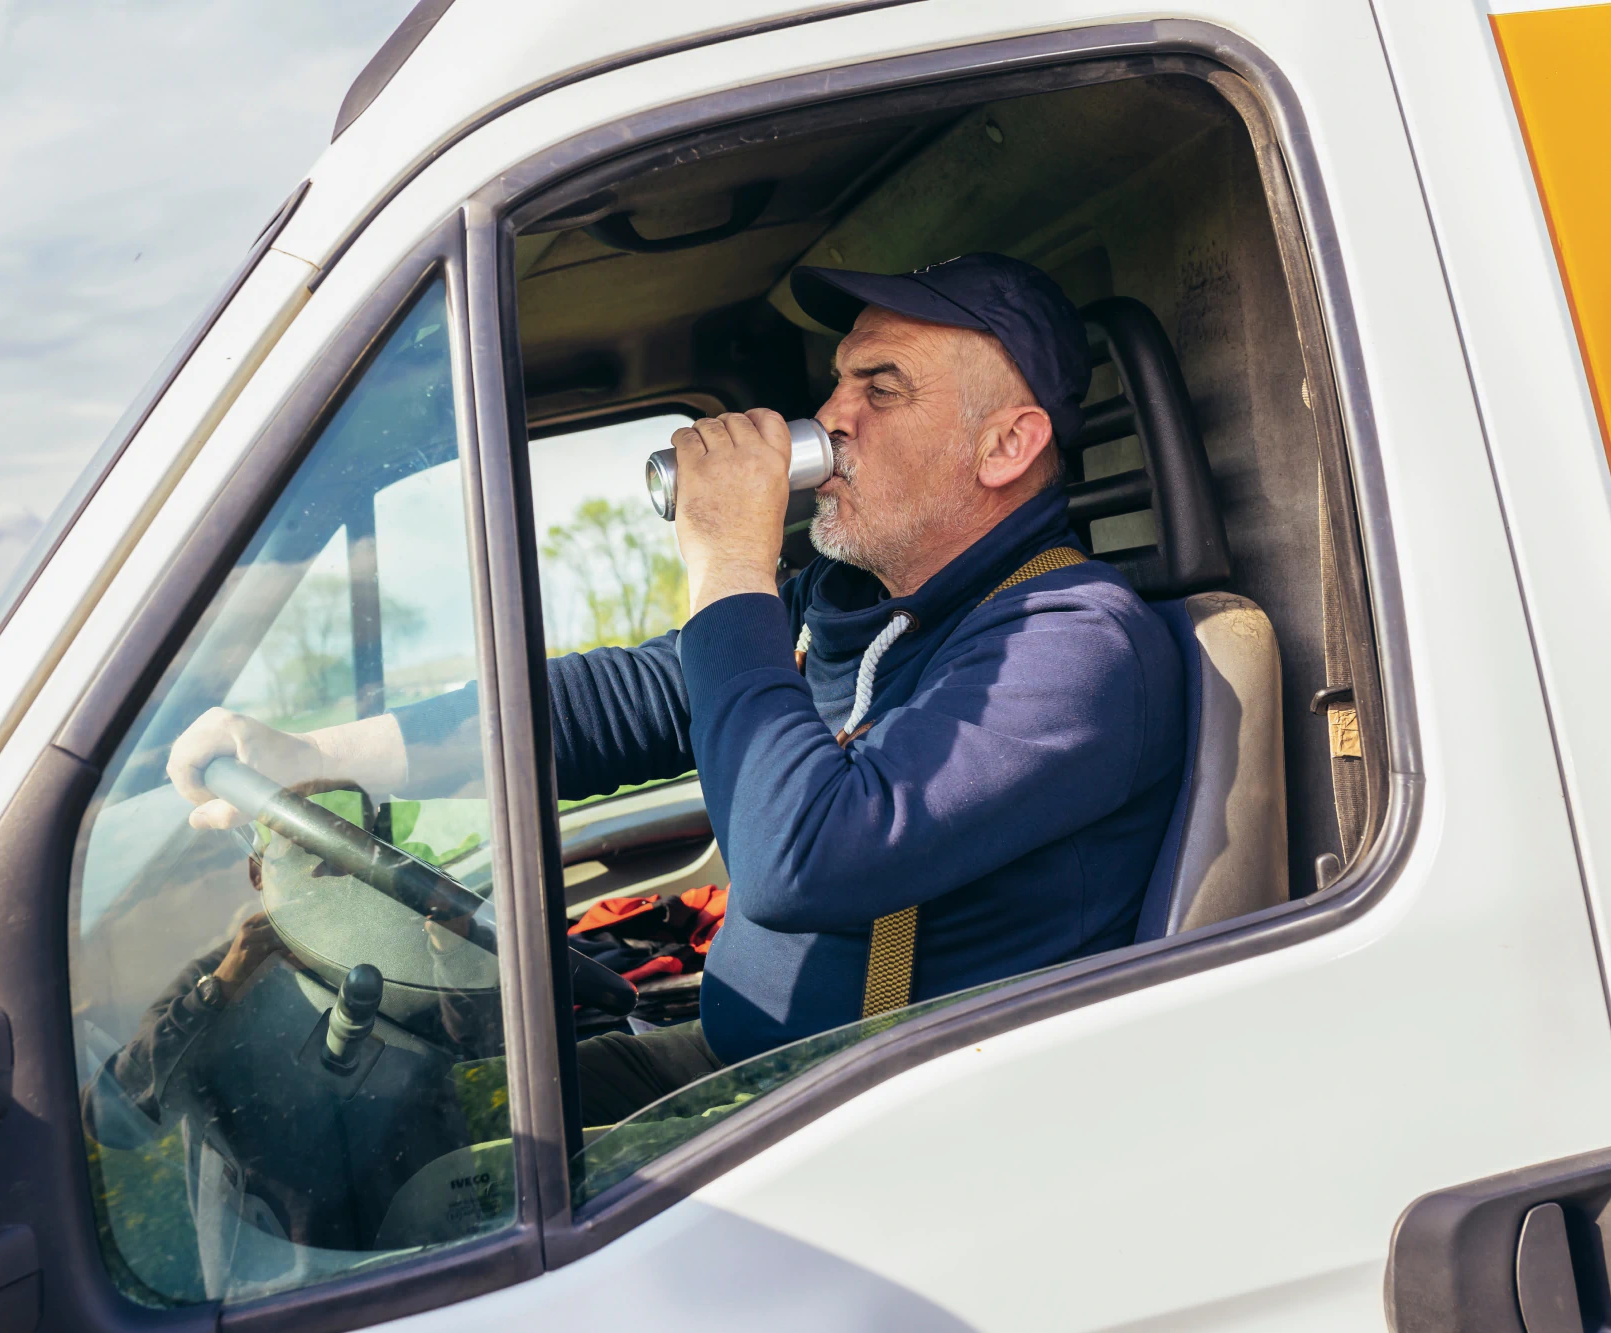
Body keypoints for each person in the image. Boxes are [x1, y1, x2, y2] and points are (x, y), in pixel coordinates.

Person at [166, 253, 1186, 1127]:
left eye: (880, 388)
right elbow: (606, 706)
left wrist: (725, 561)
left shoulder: (1072, 649)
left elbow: (800, 862)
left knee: (430, 1206)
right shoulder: (853, 608)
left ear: (1006, 444)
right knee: (408, 1117)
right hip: (748, 1069)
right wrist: (317, 754)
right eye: (837, 383)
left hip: (874, 1120)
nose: (829, 416)